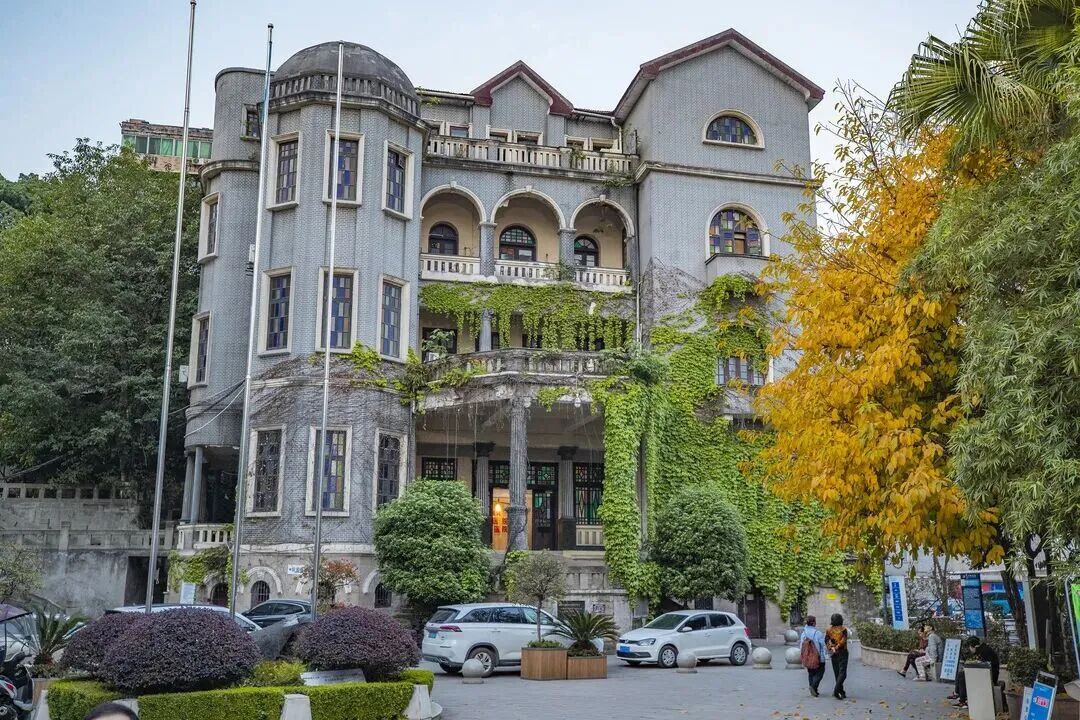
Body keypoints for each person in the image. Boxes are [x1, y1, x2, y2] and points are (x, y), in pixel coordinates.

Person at [949, 635, 1000, 709]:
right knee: (961, 673)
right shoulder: (983, 649)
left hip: (990, 676)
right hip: (987, 674)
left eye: (969, 647)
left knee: (963, 676)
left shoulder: (985, 651)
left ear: (973, 646)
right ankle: (958, 694)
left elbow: (985, 665)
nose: (970, 650)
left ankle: (962, 701)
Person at [800, 615, 829, 697]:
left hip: (807, 657)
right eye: (815, 622)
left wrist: (802, 656)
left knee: (811, 673)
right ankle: (813, 687)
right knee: (820, 672)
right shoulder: (818, 633)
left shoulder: (803, 633)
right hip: (818, 657)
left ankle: (814, 690)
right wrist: (826, 656)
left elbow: (801, 646)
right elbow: (823, 646)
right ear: (813, 623)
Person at [825, 613, 849, 699]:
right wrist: (837, 647)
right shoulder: (843, 629)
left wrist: (831, 648)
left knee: (837, 673)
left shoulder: (828, 630)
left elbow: (826, 640)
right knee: (843, 673)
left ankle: (841, 692)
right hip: (843, 652)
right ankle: (836, 691)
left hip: (834, 653)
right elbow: (844, 640)